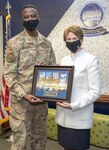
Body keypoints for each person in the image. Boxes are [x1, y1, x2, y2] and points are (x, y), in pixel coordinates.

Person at [4, 4, 56, 150]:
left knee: (39, 140)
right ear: (22, 20)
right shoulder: (14, 43)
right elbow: (9, 75)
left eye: (33, 16)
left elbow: (53, 71)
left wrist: (50, 93)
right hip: (21, 104)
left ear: (38, 17)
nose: (30, 19)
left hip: (41, 102)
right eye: (26, 17)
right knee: (20, 142)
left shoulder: (46, 43)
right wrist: (24, 95)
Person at [56, 25, 100, 150]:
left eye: (74, 38)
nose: (71, 42)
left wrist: (74, 105)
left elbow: (95, 91)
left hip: (79, 116)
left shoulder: (91, 60)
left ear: (81, 39)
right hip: (63, 116)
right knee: (65, 147)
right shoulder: (64, 60)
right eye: (68, 39)